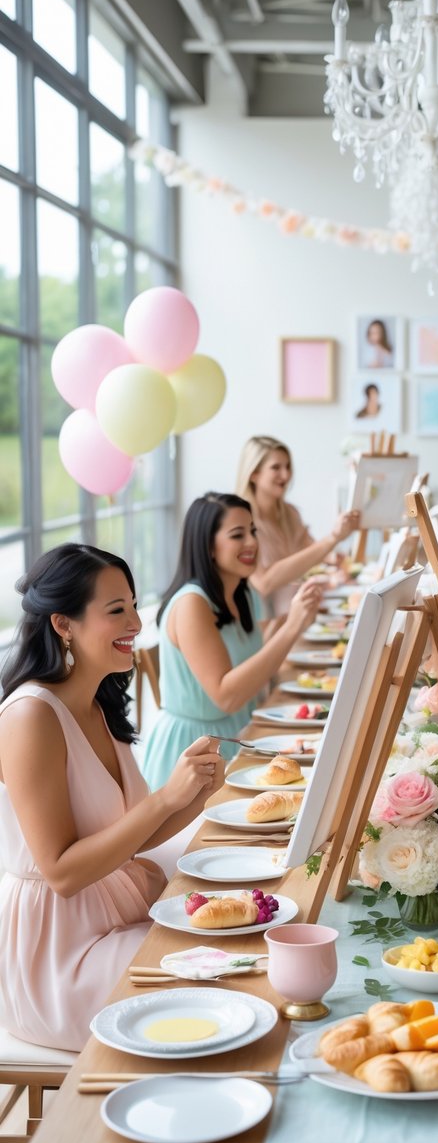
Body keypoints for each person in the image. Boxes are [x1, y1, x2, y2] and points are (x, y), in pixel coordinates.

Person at [0, 545, 225, 1050]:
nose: (136, 623)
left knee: (235, 939)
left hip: (112, 912)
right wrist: (166, 799)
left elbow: (129, 834)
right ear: (64, 623)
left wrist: (199, 793)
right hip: (59, 954)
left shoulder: (98, 699)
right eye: (116, 610)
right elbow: (61, 872)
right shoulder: (30, 716)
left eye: (134, 605)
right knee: (218, 971)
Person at [141, 493, 323, 790]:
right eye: (237, 535)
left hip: (241, 734)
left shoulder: (244, 591)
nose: (251, 542)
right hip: (197, 751)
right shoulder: (191, 604)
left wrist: (298, 618)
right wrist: (292, 626)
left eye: (253, 531)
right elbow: (226, 696)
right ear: (208, 545)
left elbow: (257, 658)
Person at [236, 436, 360, 620]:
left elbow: (310, 548)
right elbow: (264, 583)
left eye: (288, 467)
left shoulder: (290, 514)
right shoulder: (242, 520)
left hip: (293, 619)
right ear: (253, 473)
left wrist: (333, 557)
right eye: (276, 468)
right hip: (260, 626)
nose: (285, 475)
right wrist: (333, 538)